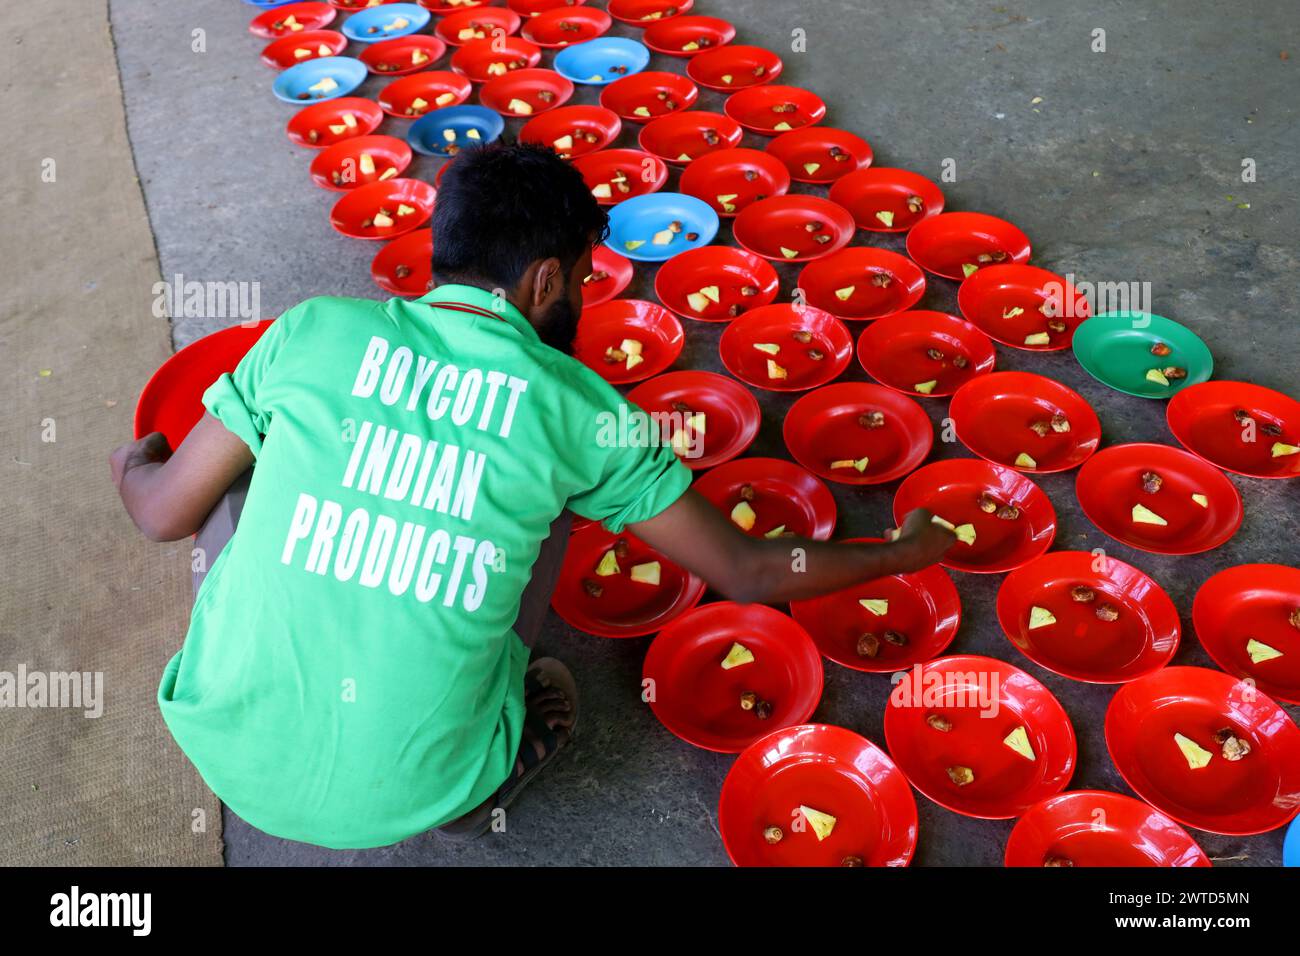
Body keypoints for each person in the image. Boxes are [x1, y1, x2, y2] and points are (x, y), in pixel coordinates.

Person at [109, 142, 954, 850]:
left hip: (222, 746)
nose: (582, 298)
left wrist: (135, 462)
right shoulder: (578, 407)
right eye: (584, 279)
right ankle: (478, 794)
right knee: (551, 541)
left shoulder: (313, 330)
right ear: (545, 280)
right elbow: (750, 574)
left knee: (253, 465)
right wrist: (907, 550)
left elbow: (160, 514)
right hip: (417, 792)